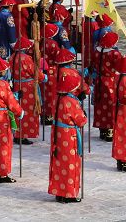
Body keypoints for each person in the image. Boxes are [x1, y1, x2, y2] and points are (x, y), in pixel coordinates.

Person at [48, 48, 87, 203]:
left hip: (57, 133)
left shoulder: (58, 98)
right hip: (69, 136)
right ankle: (68, 193)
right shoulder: (71, 101)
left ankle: (59, 191)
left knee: (59, 162)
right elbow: (81, 120)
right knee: (70, 163)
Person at [9, 36, 40, 145]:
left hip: (17, 85)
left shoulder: (12, 57)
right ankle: (23, 135)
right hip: (27, 87)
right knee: (27, 111)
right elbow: (34, 72)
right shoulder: (26, 58)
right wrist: (42, 76)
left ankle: (17, 134)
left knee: (18, 109)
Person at [93, 31, 121, 142]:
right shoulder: (114, 54)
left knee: (100, 104)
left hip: (99, 81)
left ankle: (102, 128)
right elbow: (120, 67)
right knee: (111, 105)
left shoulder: (97, 51)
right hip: (111, 81)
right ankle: (110, 129)